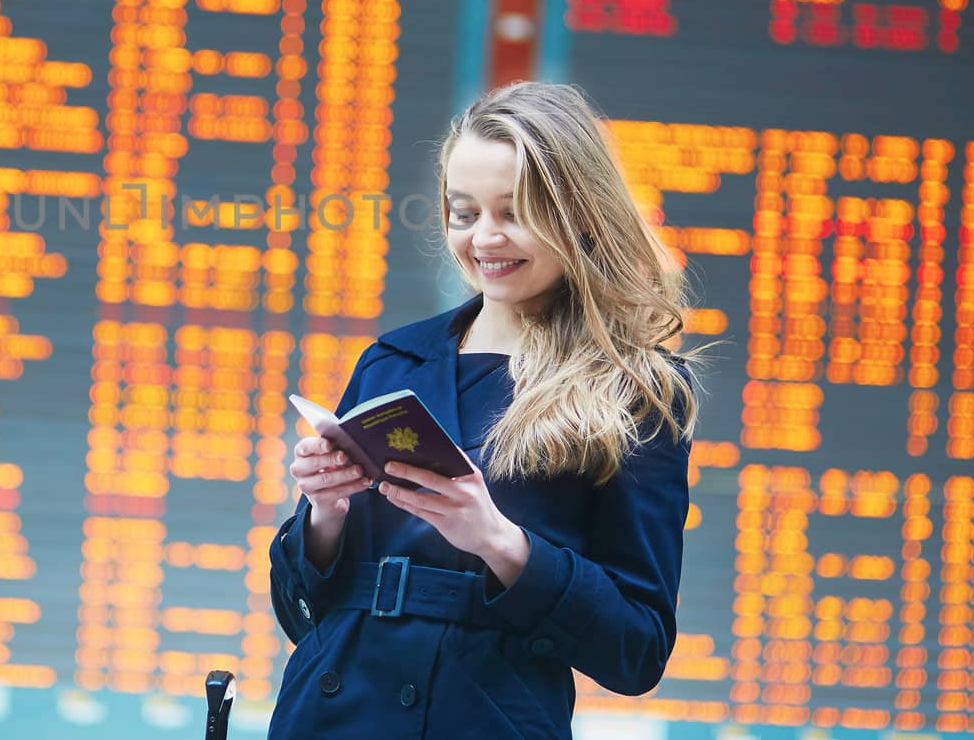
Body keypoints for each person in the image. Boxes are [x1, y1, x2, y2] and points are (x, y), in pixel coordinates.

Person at [268, 81, 701, 740]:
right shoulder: (392, 362)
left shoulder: (635, 390)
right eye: (463, 212)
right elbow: (302, 612)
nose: (484, 238)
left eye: (514, 211)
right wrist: (324, 514)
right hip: (330, 718)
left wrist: (501, 543)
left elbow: (636, 650)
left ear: (581, 214)